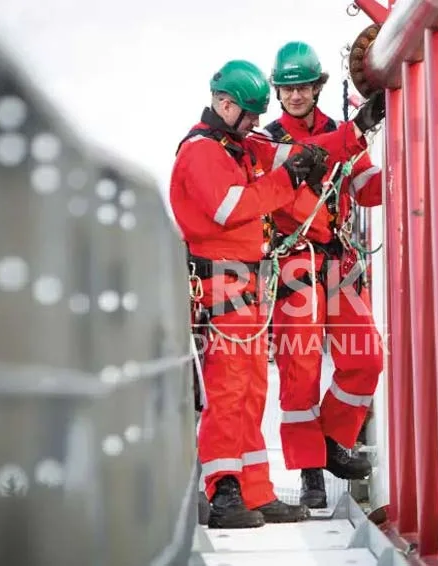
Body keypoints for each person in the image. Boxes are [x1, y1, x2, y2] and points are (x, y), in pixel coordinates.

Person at [169, 59, 371, 528]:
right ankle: (224, 494)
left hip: (246, 285)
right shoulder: (202, 153)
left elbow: (304, 149)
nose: (257, 122)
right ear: (224, 104)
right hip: (222, 286)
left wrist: (357, 130)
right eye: (250, 114)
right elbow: (230, 208)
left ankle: (254, 491)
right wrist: (289, 179)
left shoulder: (239, 148)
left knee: (252, 391)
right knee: (229, 392)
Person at [264, 41, 385, 509]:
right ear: (277, 91)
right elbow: (309, 155)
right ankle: (310, 468)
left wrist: (400, 156)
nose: (295, 95)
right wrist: (356, 132)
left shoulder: (343, 134)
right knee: (300, 371)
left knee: (367, 358)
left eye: (303, 87)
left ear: (318, 87)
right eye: (287, 88)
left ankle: (335, 440)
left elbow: (367, 190)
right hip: (294, 262)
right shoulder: (268, 140)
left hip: (338, 260)